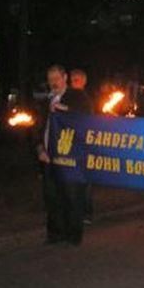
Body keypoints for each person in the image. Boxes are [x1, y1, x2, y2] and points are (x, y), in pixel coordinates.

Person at [35, 64, 92, 246]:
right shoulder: (46, 101)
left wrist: (64, 109)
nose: (53, 83)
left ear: (65, 77)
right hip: (48, 156)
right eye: (50, 79)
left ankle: (72, 236)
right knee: (51, 196)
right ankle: (55, 234)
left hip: (70, 157)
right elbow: (38, 127)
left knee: (71, 196)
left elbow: (86, 117)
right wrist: (39, 149)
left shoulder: (77, 96)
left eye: (57, 78)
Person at [70, 68, 95, 224]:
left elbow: (86, 118)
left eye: (77, 80)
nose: (74, 83)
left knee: (84, 180)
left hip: (82, 144)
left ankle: (86, 212)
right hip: (69, 144)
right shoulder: (67, 97)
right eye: (72, 80)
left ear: (84, 82)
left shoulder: (85, 100)